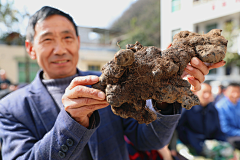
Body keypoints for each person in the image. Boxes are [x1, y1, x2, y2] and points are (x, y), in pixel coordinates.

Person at [0, 6, 226, 160]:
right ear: (30, 49)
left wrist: (166, 96)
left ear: (78, 42)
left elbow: (150, 140)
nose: (60, 49)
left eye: (67, 38)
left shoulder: (110, 81)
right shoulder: (11, 108)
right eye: (48, 39)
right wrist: (70, 122)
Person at [177, 83, 227, 157]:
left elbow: (218, 130)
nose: (206, 95)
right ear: (195, 93)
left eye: (209, 92)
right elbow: (178, 128)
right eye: (204, 92)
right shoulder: (187, 108)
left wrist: (224, 143)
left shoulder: (213, 109)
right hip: (190, 144)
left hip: (209, 144)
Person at [216, 82, 240, 150]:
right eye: (232, 92)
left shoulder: (239, 103)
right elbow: (225, 129)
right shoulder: (220, 106)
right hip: (228, 137)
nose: (235, 95)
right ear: (225, 92)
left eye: (238, 91)